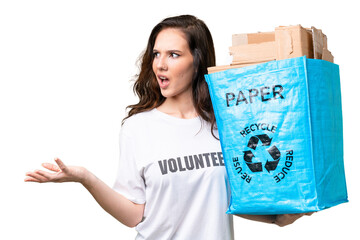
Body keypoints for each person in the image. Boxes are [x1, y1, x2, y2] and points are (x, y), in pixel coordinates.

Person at [25, 15, 310, 240]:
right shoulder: (138, 128)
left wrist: (279, 217)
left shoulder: (227, 125)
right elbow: (135, 215)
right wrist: (84, 177)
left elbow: (232, 200)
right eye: (156, 54)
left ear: (197, 61)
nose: (160, 64)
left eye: (173, 54)